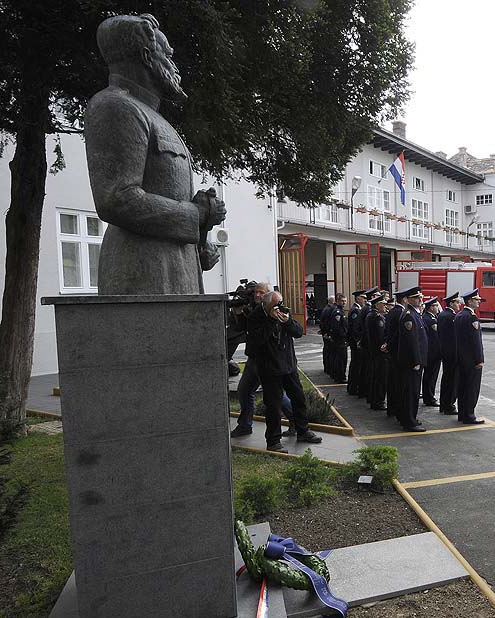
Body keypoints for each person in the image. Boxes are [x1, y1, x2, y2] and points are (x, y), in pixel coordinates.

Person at [86, 14, 226, 295]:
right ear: (148, 57)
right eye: (168, 54)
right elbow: (117, 198)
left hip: (172, 277)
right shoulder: (116, 107)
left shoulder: (151, 114)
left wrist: (199, 244)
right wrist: (194, 214)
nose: (174, 64)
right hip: (142, 281)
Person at [245, 291, 323, 451]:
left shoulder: (284, 313)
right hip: (270, 369)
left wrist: (287, 322)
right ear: (266, 306)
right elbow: (256, 341)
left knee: (299, 398)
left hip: (288, 365)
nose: (279, 307)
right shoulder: (255, 317)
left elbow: (298, 332)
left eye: (280, 303)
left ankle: (303, 430)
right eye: (275, 305)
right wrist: (272, 322)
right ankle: (273, 441)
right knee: (273, 405)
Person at [229, 281, 269, 437]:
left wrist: (245, 311)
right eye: (256, 292)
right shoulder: (252, 307)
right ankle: (245, 425)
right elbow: (242, 328)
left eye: (261, 292)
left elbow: (256, 323)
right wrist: (238, 313)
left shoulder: (269, 307)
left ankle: (298, 422)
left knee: (274, 394)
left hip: (266, 359)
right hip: (254, 357)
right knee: (244, 391)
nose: (258, 295)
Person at [396, 287, 428, 432]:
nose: (419, 300)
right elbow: (411, 341)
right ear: (407, 299)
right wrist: (416, 360)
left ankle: (410, 418)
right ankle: (409, 422)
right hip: (411, 362)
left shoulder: (415, 314)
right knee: (411, 392)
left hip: (413, 361)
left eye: (420, 297)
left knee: (411, 391)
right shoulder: (409, 315)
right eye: (416, 298)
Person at [454, 289, 486, 425]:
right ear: (469, 301)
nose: (479, 302)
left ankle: (462, 413)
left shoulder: (459, 315)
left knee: (462, 387)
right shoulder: (471, 317)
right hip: (472, 360)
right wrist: (479, 359)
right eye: (476, 300)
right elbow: (475, 341)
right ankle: (469, 415)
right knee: (471, 388)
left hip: (461, 357)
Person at [437, 292, 462, 415]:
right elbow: (455, 337)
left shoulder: (442, 314)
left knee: (446, 378)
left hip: (445, 352)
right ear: (451, 303)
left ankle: (444, 404)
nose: (459, 305)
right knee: (452, 380)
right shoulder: (451, 316)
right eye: (457, 302)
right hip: (452, 353)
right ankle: (449, 405)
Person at [384, 292, 406, 420]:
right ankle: (397, 409)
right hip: (398, 352)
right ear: (404, 299)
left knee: (392, 382)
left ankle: (391, 408)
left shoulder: (392, 311)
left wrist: (387, 345)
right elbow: (398, 334)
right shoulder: (401, 313)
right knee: (399, 383)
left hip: (392, 352)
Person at [365, 294, 389, 410]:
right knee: (380, 378)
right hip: (379, 352)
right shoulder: (377, 317)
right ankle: (378, 401)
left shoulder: (371, 315)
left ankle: (374, 400)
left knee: (376, 376)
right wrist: (384, 346)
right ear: (377, 305)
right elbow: (380, 336)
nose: (385, 306)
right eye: (383, 304)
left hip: (373, 351)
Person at [421, 297, 442, 407]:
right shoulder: (430, 319)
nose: (437, 308)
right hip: (432, 352)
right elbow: (435, 338)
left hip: (431, 352)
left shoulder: (431, 318)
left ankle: (428, 396)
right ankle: (429, 397)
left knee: (430, 375)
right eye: (435, 306)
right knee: (431, 375)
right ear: (430, 308)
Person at [346, 290, 368, 395]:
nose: (365, 300)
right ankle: (353, 388)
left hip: (355, 343)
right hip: (356, 343)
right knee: (356, 365)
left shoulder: (357, 309)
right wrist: (358, 341)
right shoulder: (355, 310)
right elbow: (355, 328)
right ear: (358, 298)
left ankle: (353, 387)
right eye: (363, 298)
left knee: (355, 365)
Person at [328, 294, 348, 382]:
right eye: (342, 301)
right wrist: (343, 336)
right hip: (340, 339)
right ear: (338, 301)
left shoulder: (341, 311)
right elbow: (337, 327)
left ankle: (339, 375)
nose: (344, 303)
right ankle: (340, 377)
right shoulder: (337, 312)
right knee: (341, 359)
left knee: (340, 358)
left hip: (340, 339)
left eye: (345, 301)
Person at [319, 296, 336, 375]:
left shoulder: (326, 309)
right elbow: (326, 322)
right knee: (329, 351)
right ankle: (329, 368)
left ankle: (327, 367)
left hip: (325, 332)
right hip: (327, 333)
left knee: (327, 350)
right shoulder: (329, 310)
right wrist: (327, 333)